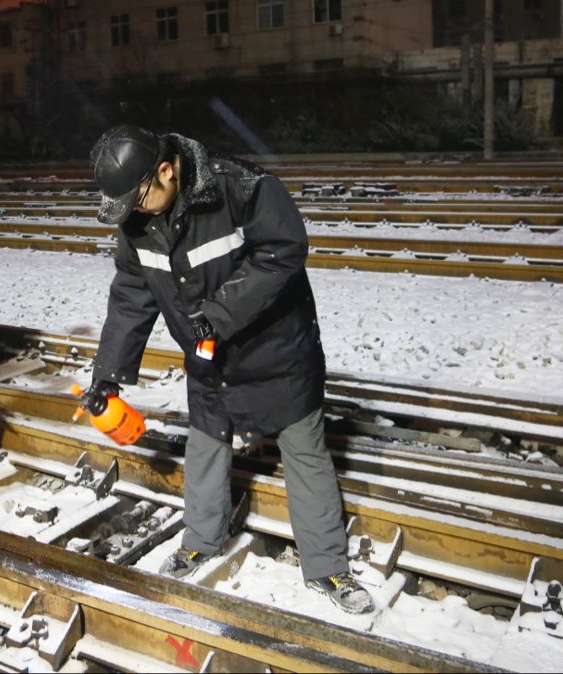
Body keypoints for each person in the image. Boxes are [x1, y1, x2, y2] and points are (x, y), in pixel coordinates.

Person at [82, 124, 373, 614]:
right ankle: (201, 540)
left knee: (303, 449)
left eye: (137, 198)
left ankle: (328, 567)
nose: (133, 211)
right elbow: (132, 295)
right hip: (208, 357)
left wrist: (217, 315)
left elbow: (283, 251)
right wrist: (108, 373)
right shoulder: (138, 222)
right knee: (207, 441)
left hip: (277, 349)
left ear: (166, 171)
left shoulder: (241, 187)